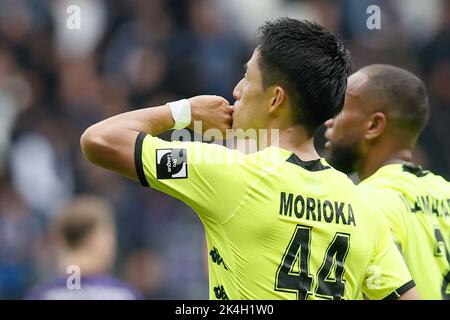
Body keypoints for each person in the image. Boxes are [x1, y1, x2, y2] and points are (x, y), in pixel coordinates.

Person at [81, 18, 417, 300]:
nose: (237, 90)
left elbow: (99, 140)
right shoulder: (362, 207)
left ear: (275, 99)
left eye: (248, 77)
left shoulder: (228, 172)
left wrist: (183, 111)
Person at [325, 64, 450, 300]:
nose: (329, 122)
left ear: (373, 126)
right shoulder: (446, 192)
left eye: (339, 110)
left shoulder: (363, 203)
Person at [26, 195, 142, 300]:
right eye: (111, 235)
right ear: (93, 239)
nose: (114, 244)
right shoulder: (124, 295)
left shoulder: (42, 294)